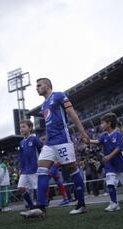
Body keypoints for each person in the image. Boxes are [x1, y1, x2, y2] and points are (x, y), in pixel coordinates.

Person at [21, 78, 90, 218]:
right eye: (36, 86)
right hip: (50, 144)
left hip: (63, 140)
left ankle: (81, 204)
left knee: (72, 169)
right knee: (41, 170)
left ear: (48, 85)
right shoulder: (43, 105)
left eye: (39, 85)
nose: (37, 88)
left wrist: (82, 132)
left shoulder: (59, 95)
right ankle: (41, 208)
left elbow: (72, 113)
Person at [17, 120, 43, 211]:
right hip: (24, 170)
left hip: (34, 169)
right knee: (20, 188)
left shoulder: (34, 139)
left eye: (23, 127)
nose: (21, 129)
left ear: (30, 128)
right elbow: (21, 156)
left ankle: (41, 207)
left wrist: (41, 163)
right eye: (20, 127)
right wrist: (20, 168)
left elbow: (41, 151)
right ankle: (32, 206)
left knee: (37, 189)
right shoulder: (21, 142)